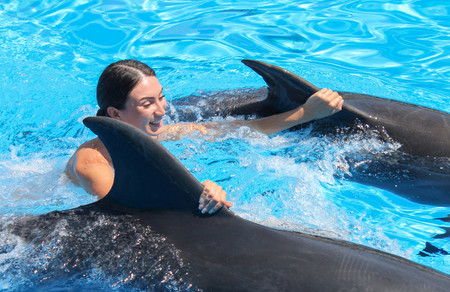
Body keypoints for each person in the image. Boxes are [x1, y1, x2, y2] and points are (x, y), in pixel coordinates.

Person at [66, 59, 343, 214]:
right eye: (147, 103)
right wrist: (198, 194)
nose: (162, 110)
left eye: (161, 98)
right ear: (114, 114)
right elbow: (134, 209)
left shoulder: (155, 136)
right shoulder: (91, 164)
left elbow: (240, 130)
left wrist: (306, 112)